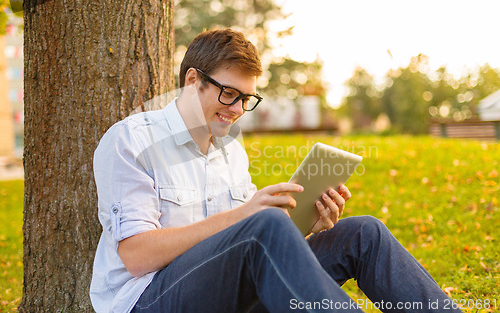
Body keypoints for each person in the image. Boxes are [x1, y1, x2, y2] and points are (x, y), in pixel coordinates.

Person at [90, 28, 461, 313]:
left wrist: (303, 226)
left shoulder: (231, 152)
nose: (236, 109)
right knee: (263, 224)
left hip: (226, 294)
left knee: (362, 233)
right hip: (150, 301)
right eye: (228, 93)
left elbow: (247, 253)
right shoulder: (131, 140)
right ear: (192, 81)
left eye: (246, 99)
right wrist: (249, 216)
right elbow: (136, 256)